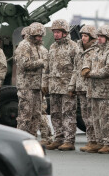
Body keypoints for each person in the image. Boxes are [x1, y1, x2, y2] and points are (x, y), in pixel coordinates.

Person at [44, 19, 80, 150]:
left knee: (68, 114)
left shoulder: (73, 47)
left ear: (65, 32)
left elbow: (77, 69)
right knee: (55, 113)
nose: (56, 34)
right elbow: (47, 67)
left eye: (58, 32)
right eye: (54, 32)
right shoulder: (52, 47)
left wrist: (73, 86)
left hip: (67, 87)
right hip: (54, 87)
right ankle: (58, 138)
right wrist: (45, 83)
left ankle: (69, 140)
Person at [82, 25, 109, 154]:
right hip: (93, 90)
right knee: (95, 118)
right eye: (98, 36)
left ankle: (108, 143)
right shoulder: (96, 51)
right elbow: (87, 62)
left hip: (105, 91)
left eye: (102, 37)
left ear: (108, 38)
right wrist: (85, 68)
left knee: (106, 118)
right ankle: (99, 141)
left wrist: (91, 73)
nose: (99, 39)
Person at [69, 25, 99, 152]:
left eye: (86, 36)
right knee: (86, 117)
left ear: (92, 37)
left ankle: (96, 141)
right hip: (81, 88)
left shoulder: (96, 51)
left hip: (91, 88)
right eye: (82, 35)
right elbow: (75, 70)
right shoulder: (79, 50)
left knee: (93, 116)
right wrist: (72, 86)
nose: (83, 38)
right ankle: (91, 141)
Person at [14, 22, 47, 136]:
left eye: (41, 36)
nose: (39, 38)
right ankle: (21, 138)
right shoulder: (24, 45)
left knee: (37, 114)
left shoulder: (40, 48)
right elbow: (24, 64)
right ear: (32, 35)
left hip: (37, 86)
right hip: (26, 87)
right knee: (25, 114)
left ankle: (32, 137)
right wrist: (41, 62)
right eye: (37, 36)